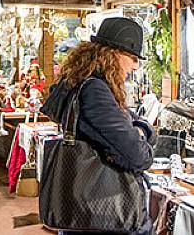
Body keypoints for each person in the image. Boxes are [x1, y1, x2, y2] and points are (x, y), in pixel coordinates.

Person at [41, 17, 156, 235]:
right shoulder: (95, 90)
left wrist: (138, 131)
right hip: (102, 214)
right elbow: (137, 156)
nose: (135, 65)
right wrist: (143, 133)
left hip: (86, 212)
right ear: (112, 53)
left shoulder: (80, 82)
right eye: (131, 57)